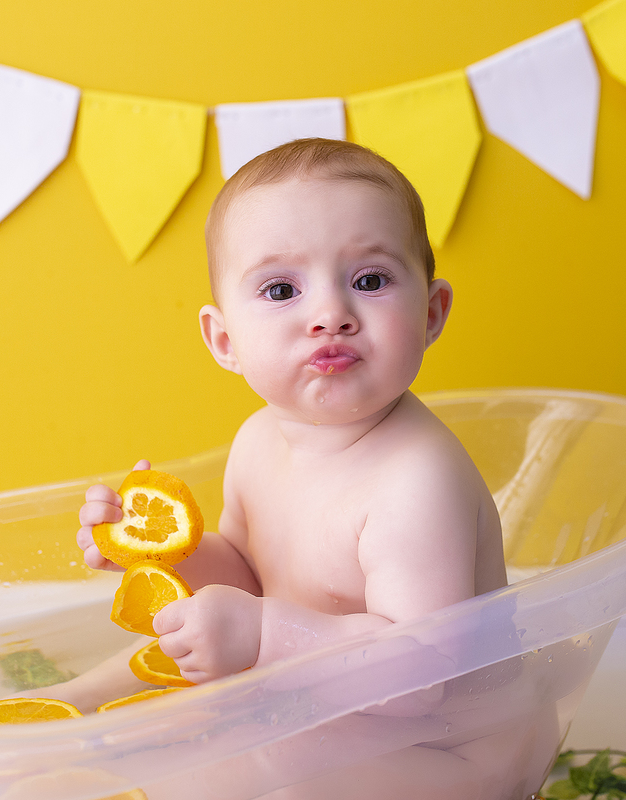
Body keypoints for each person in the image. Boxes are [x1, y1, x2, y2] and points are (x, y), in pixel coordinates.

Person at [77, 138, 506, 685]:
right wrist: (157, 555)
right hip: (316, 700)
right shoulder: (258, 440)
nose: (330, 314)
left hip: (448, 749)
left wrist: (262, 636)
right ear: (225, 340)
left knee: (217, 760)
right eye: (282, 289)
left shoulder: (417, 481)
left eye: (369, 280)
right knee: (153, 665)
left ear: (431, 313)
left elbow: (424, 677)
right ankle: (55, 707)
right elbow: (246, 573)